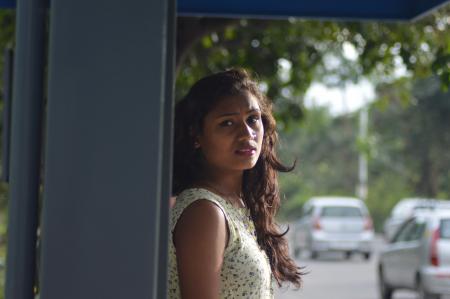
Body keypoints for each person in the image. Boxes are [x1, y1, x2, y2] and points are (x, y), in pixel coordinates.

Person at [168, 69, 303, 298]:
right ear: (196, 135)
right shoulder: (204, 211)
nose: (246, 133)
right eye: (227, 123)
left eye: (253, 119)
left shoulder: (236, 202)